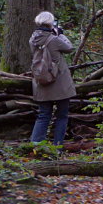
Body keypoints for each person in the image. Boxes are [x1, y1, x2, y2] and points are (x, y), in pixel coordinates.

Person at [29, 11, 76, 146]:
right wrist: (60, 34)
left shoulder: (32, 39)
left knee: (43, 115)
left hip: (41, 82)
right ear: (51, 23)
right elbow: (69, 47)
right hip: (60, 82)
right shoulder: (54, 39)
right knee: (61, 116)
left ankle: (36, 145)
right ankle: (57, 146)